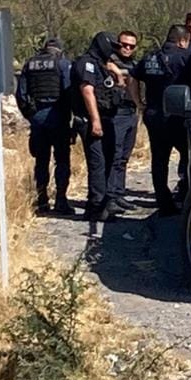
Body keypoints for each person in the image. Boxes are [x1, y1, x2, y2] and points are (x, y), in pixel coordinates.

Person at [72, 31, 126, 234]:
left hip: (105, 119)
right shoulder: (86, 63)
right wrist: (95, 121)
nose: (112, 51)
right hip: (91, 121)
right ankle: (96, 207)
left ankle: (98, 203)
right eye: (110, 46)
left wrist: (118, 73)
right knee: (98, 163)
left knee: (109, 159)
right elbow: (87, 91)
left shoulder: (102, 64)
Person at [138, 25, 191, 216]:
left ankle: (164, 203)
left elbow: (131, 78)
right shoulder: (185, 58)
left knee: (159, 160)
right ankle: (187, 194)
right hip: (177, 116)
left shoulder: (149, 57)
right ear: (182, 41)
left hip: (153, 116)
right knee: (188, 156)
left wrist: (139, 103)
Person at [15, 36, 74, 214]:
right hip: (58, 116)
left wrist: (30, 115)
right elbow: (69, 91)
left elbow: (21, 95)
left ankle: (42, 201)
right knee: (62, 159)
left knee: (41, 160)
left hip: (37, 118)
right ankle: (61, 200)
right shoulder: (62, 64)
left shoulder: (29, 64)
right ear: (59, 50)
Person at [105, 31, 142, 211]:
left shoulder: (135, 64)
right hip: (116, 113)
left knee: (124, 158)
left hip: (131, 112)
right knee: (114, 155)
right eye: (124, 44)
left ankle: (119, 194)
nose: (127, 48)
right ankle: (110, 196)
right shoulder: (109, 61)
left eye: (131, 46)